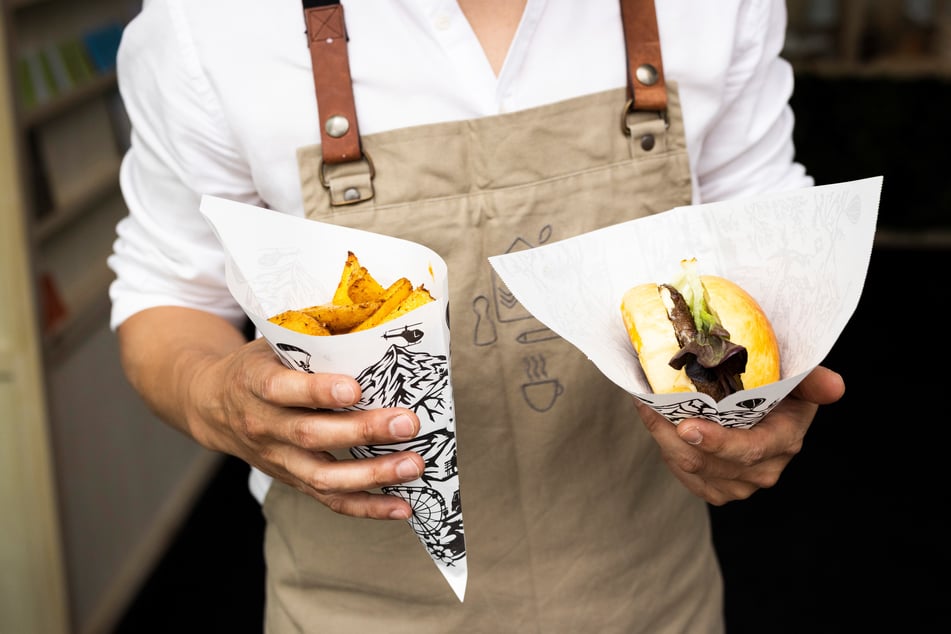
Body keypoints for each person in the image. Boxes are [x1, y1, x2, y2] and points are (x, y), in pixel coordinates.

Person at [108, 0, 846, 631]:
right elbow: (166, 291)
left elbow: (764, 237)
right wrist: (216, 398)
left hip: (651, 592)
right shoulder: (204, 25)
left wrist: (761, 405)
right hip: (357, 605)